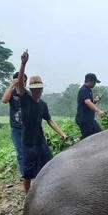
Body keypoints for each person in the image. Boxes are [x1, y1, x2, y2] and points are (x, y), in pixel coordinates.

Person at [16, 50, 67, 193]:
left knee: (48, 164)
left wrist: (61, 133)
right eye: (35, 89)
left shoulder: (42, 104)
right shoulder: (25, 100)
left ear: (42, 89)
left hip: (40, 140)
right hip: (28, 141)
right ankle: (28, 196)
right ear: (30, 90)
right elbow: (19, 84)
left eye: (39, 89)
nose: (37, 92)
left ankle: (47, 190)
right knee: (28, 172)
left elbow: (49, 120)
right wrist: (23, 63)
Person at [1, 72, 27, 182]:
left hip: (28, 127)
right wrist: (12, 85)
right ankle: (24, 174)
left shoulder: (28, 93)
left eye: (23, 81)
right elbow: (4, 100)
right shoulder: (11, 93)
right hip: (16, 128)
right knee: (20, 152)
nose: (21, 83)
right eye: (19, 81)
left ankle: (33, 171)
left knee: (30, 150)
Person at [75, 73, 105, 139]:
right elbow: (87, 102)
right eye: (94, 82)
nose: (95, 84)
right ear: (89, 81)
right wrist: (98, 111)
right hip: (84, 120)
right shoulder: (84, 90)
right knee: (88, 139)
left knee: (99, 134)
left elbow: (88, 103)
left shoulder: (88, 90)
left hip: (89, 120)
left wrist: (95, 101)